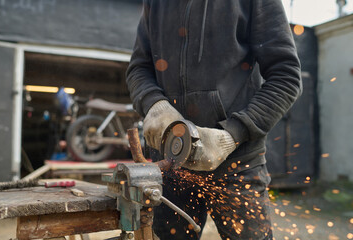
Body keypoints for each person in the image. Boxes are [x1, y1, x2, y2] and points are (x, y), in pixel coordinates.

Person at [126, 0, 302, 239]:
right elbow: (139, 68)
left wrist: (233, 134)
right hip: (171, 163)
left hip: (237, 164)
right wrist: (154, 104)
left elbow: (286, 76)